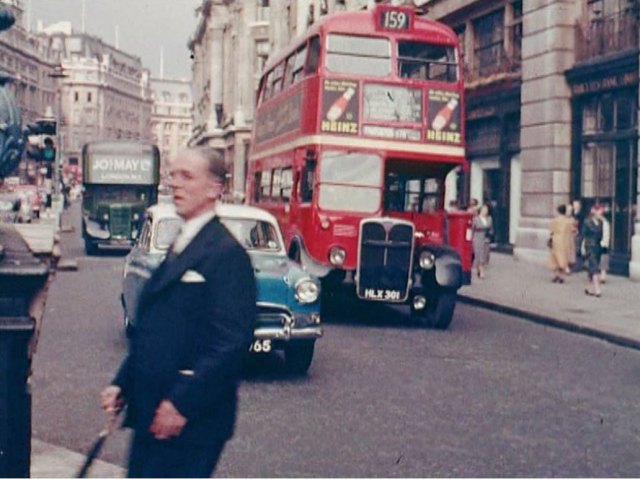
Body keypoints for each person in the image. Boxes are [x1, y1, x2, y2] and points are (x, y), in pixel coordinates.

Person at [101, 147, 257, 478]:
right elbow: (156, 329)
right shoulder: (182, 240)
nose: (175, 184)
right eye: (173, 175)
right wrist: (122, 383)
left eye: (187, 176)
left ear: (215, 188)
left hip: (188, 422)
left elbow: (230, 344)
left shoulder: (227, 254)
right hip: (153, 411)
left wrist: (181, 404)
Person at [547, 204, 573, 283]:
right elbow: (572, 231)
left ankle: (556, 275)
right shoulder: (568, 221)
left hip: (556, 240)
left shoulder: (555, 220)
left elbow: (551, 230)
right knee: (563, 259)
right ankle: (561, 276)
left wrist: (551, 238)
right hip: (565, 241)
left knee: (555, 258)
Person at [583, 204, 604, 297]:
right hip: (589, 246)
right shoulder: (587, 222)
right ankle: (597, 289)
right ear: (594, 211)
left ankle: (589, 288)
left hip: (597, 247)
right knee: (595, 267)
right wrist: (580, 248)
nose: (601, 213)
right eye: (599, 211)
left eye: (602, 212)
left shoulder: (600, 222)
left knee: (593, 267)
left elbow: (601, 235)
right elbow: (583, 235)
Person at [472, 203, 493, 279]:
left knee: (485, 255)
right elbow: (472, 229)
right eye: (484, 209)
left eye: (486, 210)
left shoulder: (489, 218)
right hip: (477, 238)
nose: (485, 211)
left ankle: (479, 269)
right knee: (479, 255)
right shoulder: (476, 219)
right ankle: (482, 272)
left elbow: (491, 229)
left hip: (486, 239)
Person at [571, 199, 585, 272]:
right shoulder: (573, 213)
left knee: (577, 250)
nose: (575, 206)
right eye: (574, 204)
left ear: (579, 205)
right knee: (575, 249)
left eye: (576, 204)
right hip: (575, 233)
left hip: (578, 233)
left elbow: (578, 224)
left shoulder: (580, 214)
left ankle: (578, 266)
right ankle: (577, 264)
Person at [599, 204, 611, 283]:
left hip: (602, 243)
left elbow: (606, 234)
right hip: (598, 243)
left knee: (603, 259)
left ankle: (603, 275)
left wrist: (605, 243)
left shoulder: (604, 223)